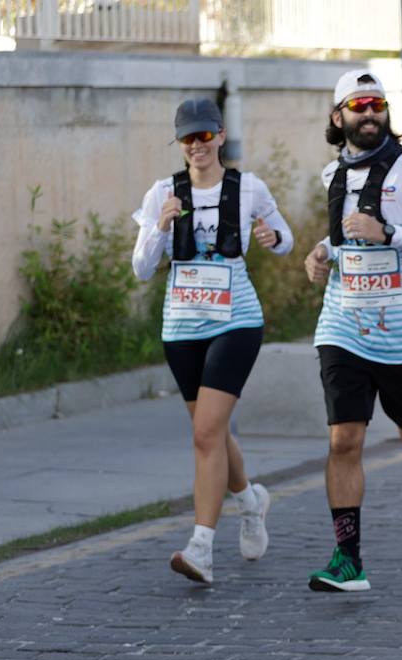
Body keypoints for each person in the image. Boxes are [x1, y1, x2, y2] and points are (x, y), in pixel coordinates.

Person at [302, 69, 402, 591]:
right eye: (358, 104)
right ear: (338, 117)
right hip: (343, 325)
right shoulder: (331, 175)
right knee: (344, 438)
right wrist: (322, 253)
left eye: (377, 104)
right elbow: (345, 241)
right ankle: (348, 559)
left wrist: (389, 231)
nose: (369, 113)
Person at [132, 97, 293, 585]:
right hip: (182, 327)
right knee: (214, 433)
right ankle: (249, 501)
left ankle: (201, 545)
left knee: (204, 434)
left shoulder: (248, 189)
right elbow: (140, 269)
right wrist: (160, 226)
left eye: (205, 136)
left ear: (221, 136)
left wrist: (272, 238)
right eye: (188, 138)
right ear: (178, 144)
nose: (197, 146)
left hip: (235, 322)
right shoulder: (162, 192)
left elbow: (284, 238)